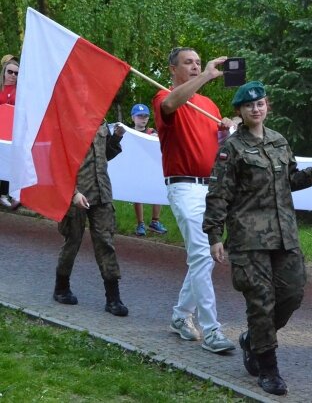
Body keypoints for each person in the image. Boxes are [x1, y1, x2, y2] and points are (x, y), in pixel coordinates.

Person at [204, 81, 312, 396]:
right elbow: (219, 194)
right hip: (249, 238)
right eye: (248, 106)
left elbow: (289, 182)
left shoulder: (279, 142)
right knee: (260, 302)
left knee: (292, 294)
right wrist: (215, 234)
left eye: (259, 104)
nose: (255, 109)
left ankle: (252, 339)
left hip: (284, 235)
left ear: (267, 106)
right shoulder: (231, 148)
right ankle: (268, 368)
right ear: (240, 112)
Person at [152, 47, 236, 354]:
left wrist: (226, 128)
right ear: (173, 69)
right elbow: (173, 103)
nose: (196, 66)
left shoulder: (209, 105)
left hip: (210, 188)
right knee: (203, 254)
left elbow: (219, 146)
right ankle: (211, 329)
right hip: (184, 187)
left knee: (203, 258)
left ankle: (180, 316)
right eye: (189, 63)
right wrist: (205, 76)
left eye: (198, 63)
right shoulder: (164, 97)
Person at [53, 122, 129, 317]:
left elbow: (105, 156)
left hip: (102, 193)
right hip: (77, 194)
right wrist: (74, 193)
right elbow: (59, 162)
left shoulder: (101, 123)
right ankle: (61, 288)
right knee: (73, 240)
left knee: (106, 242)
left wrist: (116, 137)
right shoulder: (69, 123)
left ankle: (113, 298)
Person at [128, 103, 167, 236]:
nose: (143, 119)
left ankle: (155, 221)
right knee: (137, 195)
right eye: (140, 116)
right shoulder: (128, 133)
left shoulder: (152, 132)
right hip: (136, 169)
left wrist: (156, 140)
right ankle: (140, 224)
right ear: (133, 118)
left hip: (151, 169)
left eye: (145, 116)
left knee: (157, 191)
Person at [0, 56, 20, 209]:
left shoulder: (21, 91)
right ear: (4, 72)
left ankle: (4, 194)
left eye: (16, 73)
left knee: (9, 161)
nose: (13, 75)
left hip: (11, 133)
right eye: (10, 72)